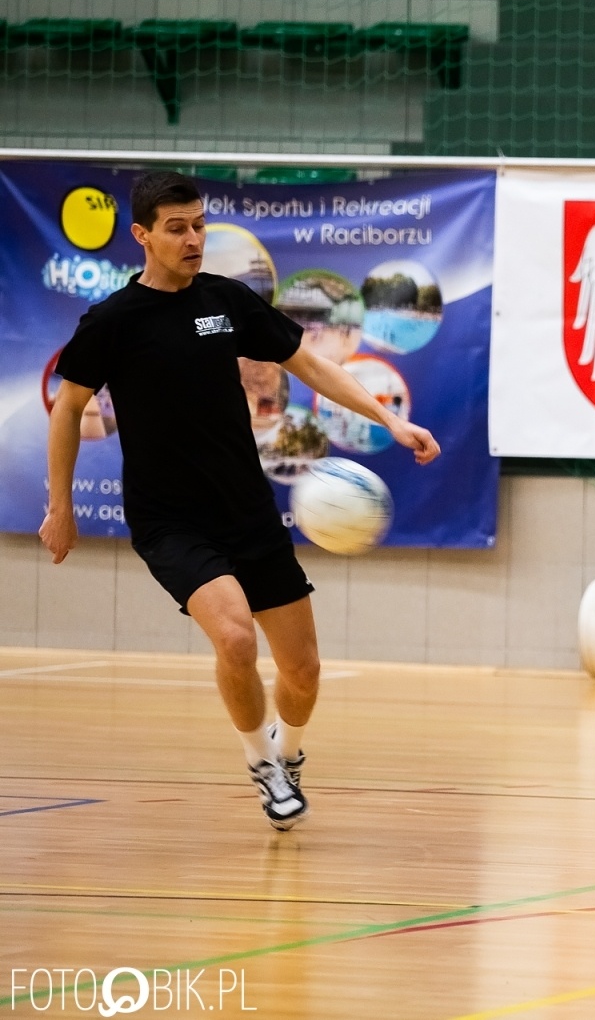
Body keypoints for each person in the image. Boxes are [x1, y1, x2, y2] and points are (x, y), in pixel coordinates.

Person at [38, 171, 441, 830]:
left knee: (303, 671)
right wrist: (62, 505)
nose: (193, 239)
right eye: (176, 228)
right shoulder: (112, 321)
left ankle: (289, 751)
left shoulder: (226, 301)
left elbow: (310, 364)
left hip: (246, 509)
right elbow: (68, 408)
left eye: (198, 224)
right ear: (142, 235)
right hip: (169, 520)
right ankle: (263, 766)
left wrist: (390, 420)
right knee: (233, 636)